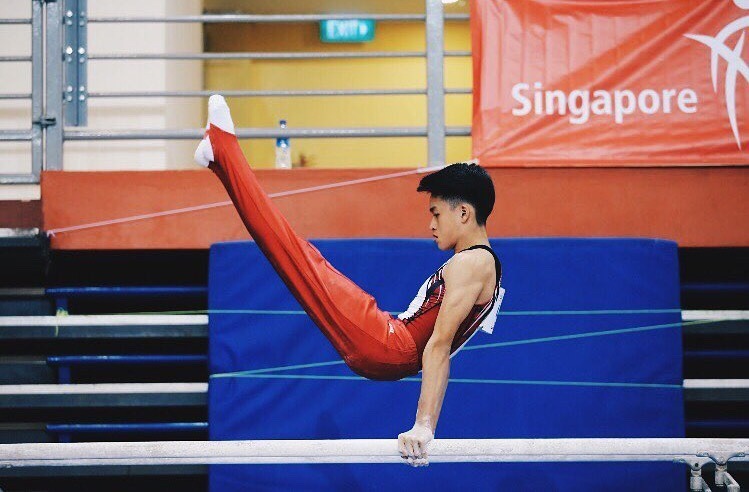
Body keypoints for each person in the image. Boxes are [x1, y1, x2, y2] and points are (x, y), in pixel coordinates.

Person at [195, 95, 504, 467]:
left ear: (465, 213)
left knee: (295, 254)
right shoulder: (474, 263)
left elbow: (437, 347)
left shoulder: (473, 264)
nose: (431, 224)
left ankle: (224, 150)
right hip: (386, 344)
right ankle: (220, 157)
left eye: (437, 213)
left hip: (389, 344)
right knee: (292, 257)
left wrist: (424, 427)